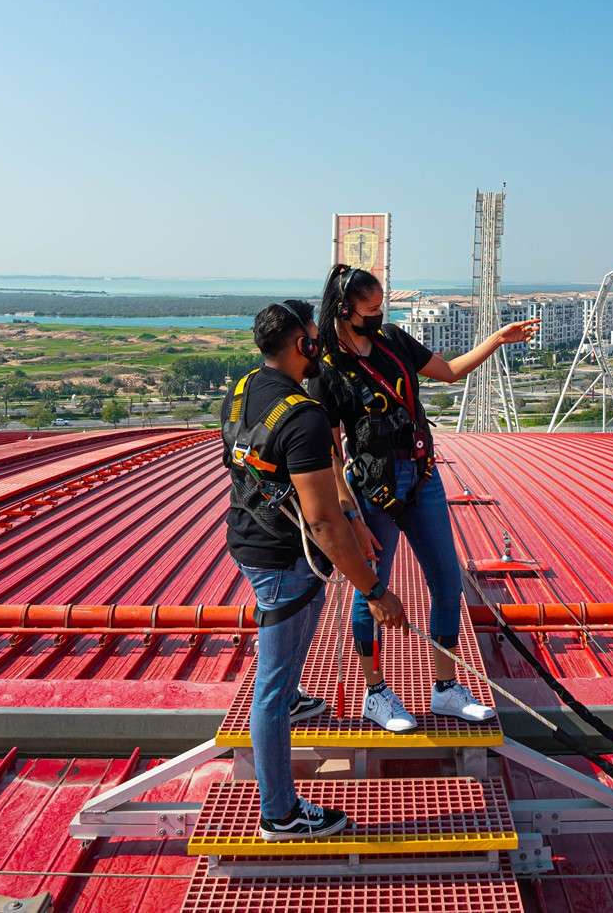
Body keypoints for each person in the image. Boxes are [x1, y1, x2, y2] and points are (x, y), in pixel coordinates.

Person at [312, 264, 538, 733]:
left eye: (381, 307)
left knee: (446, 582)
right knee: (370, 591)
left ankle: (445, 688)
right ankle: (376, 693)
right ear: (344, 308)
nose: (379, 315)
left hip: (422, 475)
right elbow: (332, 452)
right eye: (370, 309)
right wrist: (351, 515)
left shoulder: (393, 340)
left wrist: (496, 340)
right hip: (375, 488)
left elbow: (450, 372)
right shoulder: (329, 370)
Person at [221, 299, 408, 839]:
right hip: (285, 557)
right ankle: (280, 814)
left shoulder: (242, 391)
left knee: (285, 661)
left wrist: (346, 512)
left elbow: (244, 467)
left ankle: (293, 696)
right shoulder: (303, 416)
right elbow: (322, 523)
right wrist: (373, 590)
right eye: (313, 336)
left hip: (251, 540)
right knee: (271, 692)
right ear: (303, 343)